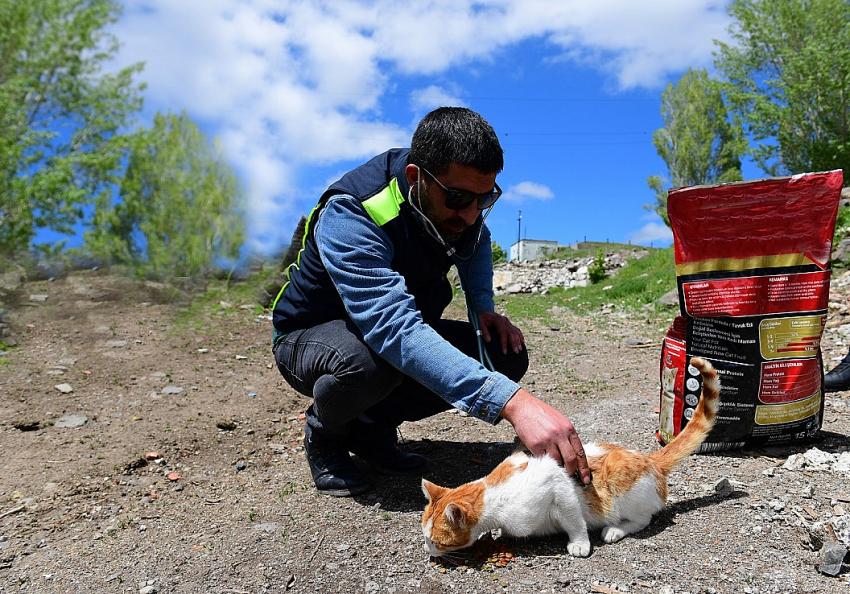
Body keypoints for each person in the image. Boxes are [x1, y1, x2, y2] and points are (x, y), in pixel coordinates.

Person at [271, 107, 590, 497]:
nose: (472, 215)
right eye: (458, 198)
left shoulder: (460, 210)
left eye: (484, 199)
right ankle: (325, 432)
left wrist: (482, 309)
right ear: (415, 178)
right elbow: (393, 331)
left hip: (383, 334)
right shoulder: (353, 212)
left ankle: (370, 429)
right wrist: (513, 403)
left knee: (503, 353)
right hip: (311, 335)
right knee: (367, 365)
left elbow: (477, 242)